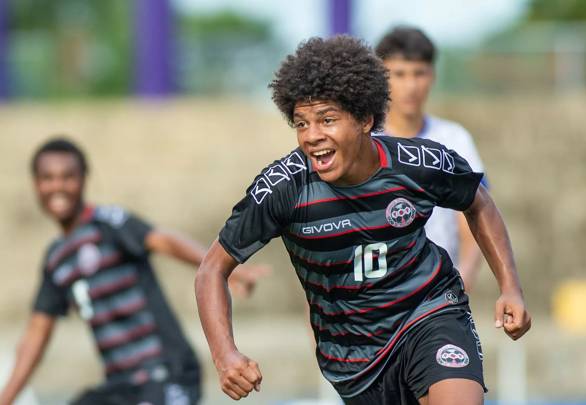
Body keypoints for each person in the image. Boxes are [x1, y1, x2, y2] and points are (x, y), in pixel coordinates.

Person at [195, 36, 531, 405]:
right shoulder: (282, 189)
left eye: (327, 119)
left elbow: (479, 203)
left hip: (430, 313)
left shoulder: (418, 163)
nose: (312, 136)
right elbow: (211, 269)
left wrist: (509, 286)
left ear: (366, 119)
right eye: (301, 123)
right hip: (354, 356)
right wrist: (225, 355)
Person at [0, 138, 268, 405]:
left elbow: (163, 240)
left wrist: (224, 270)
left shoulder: (108, 223)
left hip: (167, 374)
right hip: (120, 386)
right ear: (36, 184)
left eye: (67, 176)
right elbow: (36, 334)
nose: (57, 186)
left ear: (84, 179)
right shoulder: (55, 260)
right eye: (48, 178)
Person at [376, 26, 489, 292]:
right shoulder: (365, 141)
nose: (411, 85)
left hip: (437, 290)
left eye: (419, 73)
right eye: (399, 74)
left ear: (433, 75)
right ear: (381, 77)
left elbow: (476, 212)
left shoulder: (454, 138)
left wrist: (465, 273)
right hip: (376, 293)